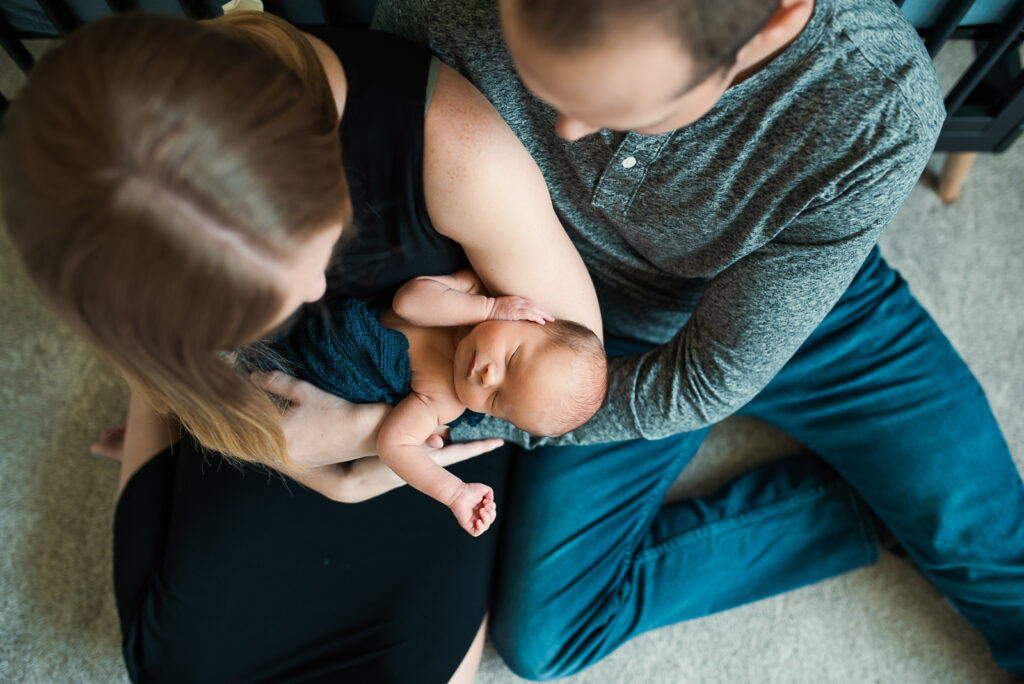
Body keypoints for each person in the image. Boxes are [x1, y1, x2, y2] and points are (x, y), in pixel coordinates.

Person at [255, 0, 1024, 677]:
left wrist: (442, 416)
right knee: (549, 637)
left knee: (990, 549)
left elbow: (702, 382)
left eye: (619, 103)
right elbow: (391, 157)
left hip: (807, 312)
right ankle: (873, 515)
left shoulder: (876, 101)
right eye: (544, 81)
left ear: (779, 18)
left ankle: (920, 514)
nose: (568, 130)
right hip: (566, 330)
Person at [0, 8, 602, 683]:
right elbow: (185, 368)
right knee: (180, 663)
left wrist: (368, 441)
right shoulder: (116, 263)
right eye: (257, 307)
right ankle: (163, 421)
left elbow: (560, 381)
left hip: (418, 421)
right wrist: (261, 441)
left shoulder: (459, 157)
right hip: (271, 415)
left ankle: (167, 430)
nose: (321, 286)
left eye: (312, 256)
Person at [254, 268, 607, 535]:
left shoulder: (444, 400)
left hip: (291, 373)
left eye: (497, 399)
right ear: (530, 317)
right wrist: (487, 306)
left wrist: (454, 493)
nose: (487, 377)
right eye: (511, 359)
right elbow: (408, 301)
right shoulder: (476, 294)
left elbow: (394, 443)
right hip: (308, 312)